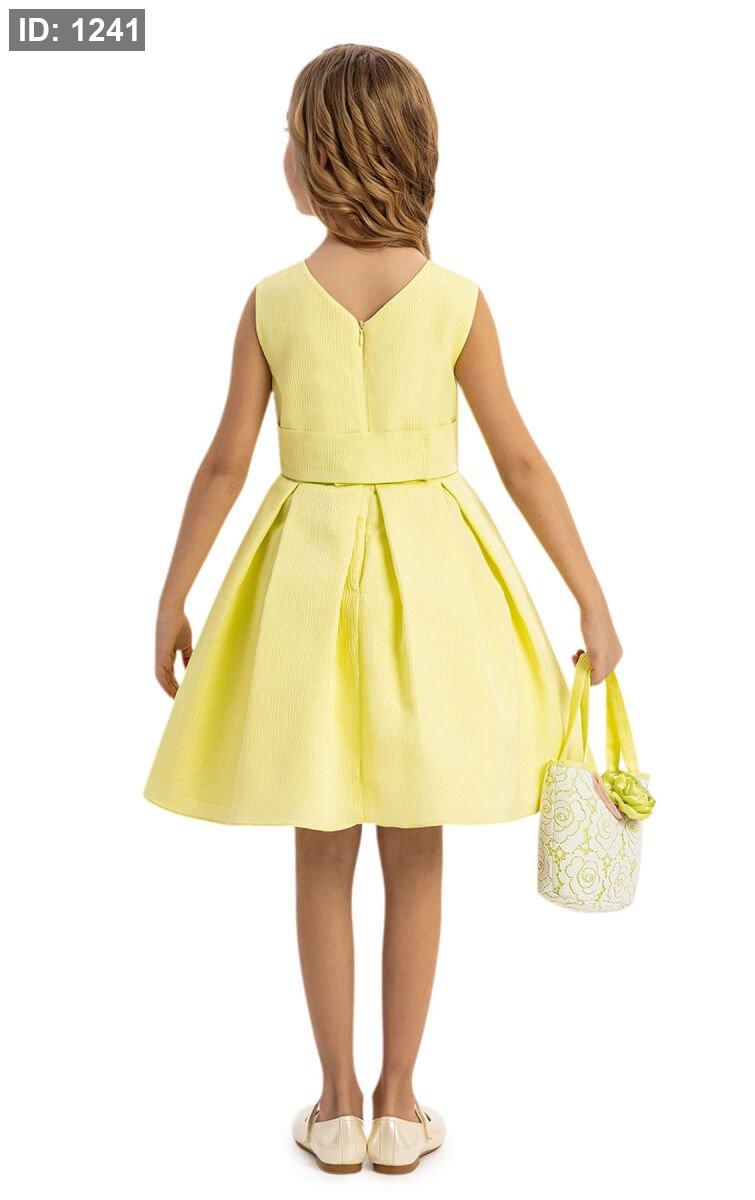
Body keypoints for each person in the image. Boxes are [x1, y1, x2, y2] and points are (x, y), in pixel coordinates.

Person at [145, 43, 622, 1175]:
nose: (282, 155)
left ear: (322, 157)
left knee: (321, 846)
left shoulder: (272, 303)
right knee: (416, 845)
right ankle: (402, 1107)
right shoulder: (456, 302)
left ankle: (335, 1102)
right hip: (431, 589)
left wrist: (174, 593)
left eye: (290, 136)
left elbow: (224, 463)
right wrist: (590, 599)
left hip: (304, 586)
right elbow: (520, 460)